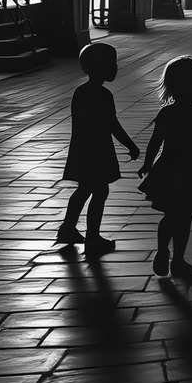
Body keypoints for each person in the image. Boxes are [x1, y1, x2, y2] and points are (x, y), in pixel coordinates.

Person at [138, 54, 192, 278]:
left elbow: (155, 141)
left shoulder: (167, 113)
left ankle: (162, 250)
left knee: (169, 214)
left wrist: (147, 163)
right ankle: (178, 260)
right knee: (185, 217)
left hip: (168, 167)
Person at [58, 42, 140, 254]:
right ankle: (93, 237)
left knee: (84, 189)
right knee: (100, 191)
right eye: (112, 64)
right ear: (101, 67)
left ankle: (67, 228)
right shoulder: (103, 95)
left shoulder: (80, 92)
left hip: (82, 150)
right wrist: (130, 144)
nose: (115, 67)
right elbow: (112, 124)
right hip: (97, 151)